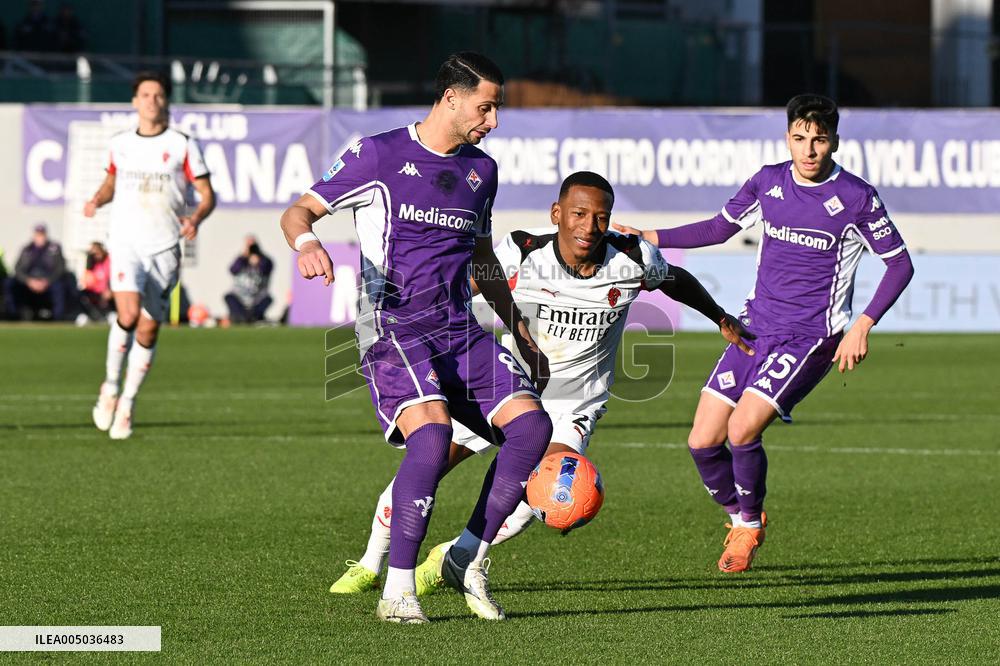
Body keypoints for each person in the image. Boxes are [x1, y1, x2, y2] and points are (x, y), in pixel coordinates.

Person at [328, 171, 756, 597]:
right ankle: (369, 562)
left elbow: (676, 281)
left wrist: (720, 317)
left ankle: (454, 559)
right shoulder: (524, 250)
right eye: (578, 214)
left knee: (547, 494)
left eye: (601, 217)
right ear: (557, 214)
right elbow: (462, 289)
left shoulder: (634, 257)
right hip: (504, 390)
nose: (589, 226)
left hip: (574, 406)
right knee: (429, 463)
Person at [281, 52, 554, 625]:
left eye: (496, 108)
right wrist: (307, 244)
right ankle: (397, 591)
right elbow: (299, 212)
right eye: (487, 106)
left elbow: (481, 258)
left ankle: (466, 559)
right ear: (450, 98)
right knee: (430, 440)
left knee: (532, 429)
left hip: (460, 328)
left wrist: (518, 327)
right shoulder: (378, 154)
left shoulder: (483, 170)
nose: (494, 120)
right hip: (394, 324)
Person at [613, 94, 915, 573]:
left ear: (835, 140)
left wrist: (863, 325)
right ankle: (739, 517)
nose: (809, 149)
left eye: (819, 139)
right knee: (701, 442)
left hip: (811, 337)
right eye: (800, 138)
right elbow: (717, 228)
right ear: (787, 138)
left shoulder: (856, 196)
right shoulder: (768, 182)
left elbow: (900, 264)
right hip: (755, 327)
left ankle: (750, 526)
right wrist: (649, 237)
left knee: (741, 429)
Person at [84, 71, 216, 440]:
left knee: (148, 325)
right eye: (145, 94)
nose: (151, 101)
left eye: (158, 95)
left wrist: (196, 217)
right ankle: (110, 386)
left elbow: (207, 193)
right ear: (134, 101)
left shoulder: (182, 144)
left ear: (166, 102)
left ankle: (128, 401)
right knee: (127, 313)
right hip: (126, 242)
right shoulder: (120, 143)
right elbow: (112, 180)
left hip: (165, 246)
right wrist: (97, 198)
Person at [4, 224, 68, 321]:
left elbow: (60, 268)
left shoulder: (54, 248)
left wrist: (47, 281)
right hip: (29, 282)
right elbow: (18, 269)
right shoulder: (27, 249)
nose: (40, 237)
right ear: (34, 235)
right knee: (9, 283)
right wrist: (28, 281)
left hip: (49, 282)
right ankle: (13, 316)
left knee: (59, 286)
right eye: (38, 235)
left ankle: (58, 318)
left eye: (42, 235)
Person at [224, 235, 273, 323]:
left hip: (257, 297)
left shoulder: (265, 260)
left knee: (268, 299)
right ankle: (242, 317)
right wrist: (244, 255)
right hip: (240, 296)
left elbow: (266, 268)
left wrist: (258, 261)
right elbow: (232, 270)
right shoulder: (241, 260)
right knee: (229, 297)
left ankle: (253, 317)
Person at [77, 241, 113, 324]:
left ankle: (110, 314)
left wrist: (109, 289)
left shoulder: (109, 261)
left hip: (108, 291)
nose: (96, 255)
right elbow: (87, 281)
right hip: (95, 292)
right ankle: (91, 316)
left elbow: (111, 277)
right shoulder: (91, 263)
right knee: (81, 295)